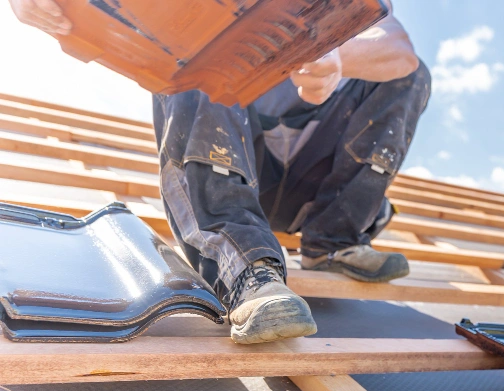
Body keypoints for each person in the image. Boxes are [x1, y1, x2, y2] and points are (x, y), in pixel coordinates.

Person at [9, 0, 431, 344]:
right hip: (233, 174)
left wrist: (335, 53)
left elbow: (398, 49)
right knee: (198, 57)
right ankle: (246, 266)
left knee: (413, 77)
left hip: (309, 193)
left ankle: (334, 243)